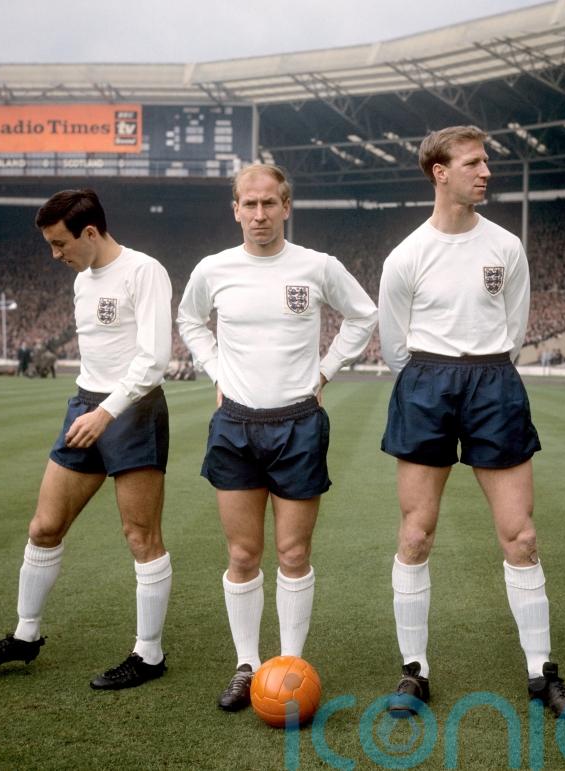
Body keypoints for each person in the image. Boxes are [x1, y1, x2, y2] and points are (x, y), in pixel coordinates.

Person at [378, 125, 565, 720]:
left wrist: (482, 368)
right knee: (416, 534)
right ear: (439, 172)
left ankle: (541, 672)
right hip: (426, 384)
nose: (486, 171)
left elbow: (514, 329)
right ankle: (414, 670)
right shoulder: (406, 256)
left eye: (486, 161)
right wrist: (436, 375)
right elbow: (393, 344)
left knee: (522, 536)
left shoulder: (506, 247)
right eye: (473, 162)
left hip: (494, 381)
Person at [177, 163, 377, 712]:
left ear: (286, 207)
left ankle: (289, 664)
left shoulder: (317, 266)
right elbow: (189, 320)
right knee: (243, 553)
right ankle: (246, 665)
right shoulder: (213, 269)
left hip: (299, 423)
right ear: (235, 210)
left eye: (270, 203)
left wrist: (325, 372)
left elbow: (363, 316)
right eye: (250, 204)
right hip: (235, 424)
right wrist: (216, 370)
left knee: (293, 551)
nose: (260, 214)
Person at [0, 188, 174, 690]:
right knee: (44, 526)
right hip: (85, 406)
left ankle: (149, 655)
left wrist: (107, 412)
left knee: (141, 537)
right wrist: (92, 408)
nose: (55, 255)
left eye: (60, 243)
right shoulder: (82, 280)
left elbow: (154, 359)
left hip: (133, 411)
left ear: (90, 232)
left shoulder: (145, 271)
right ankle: (25, 635)